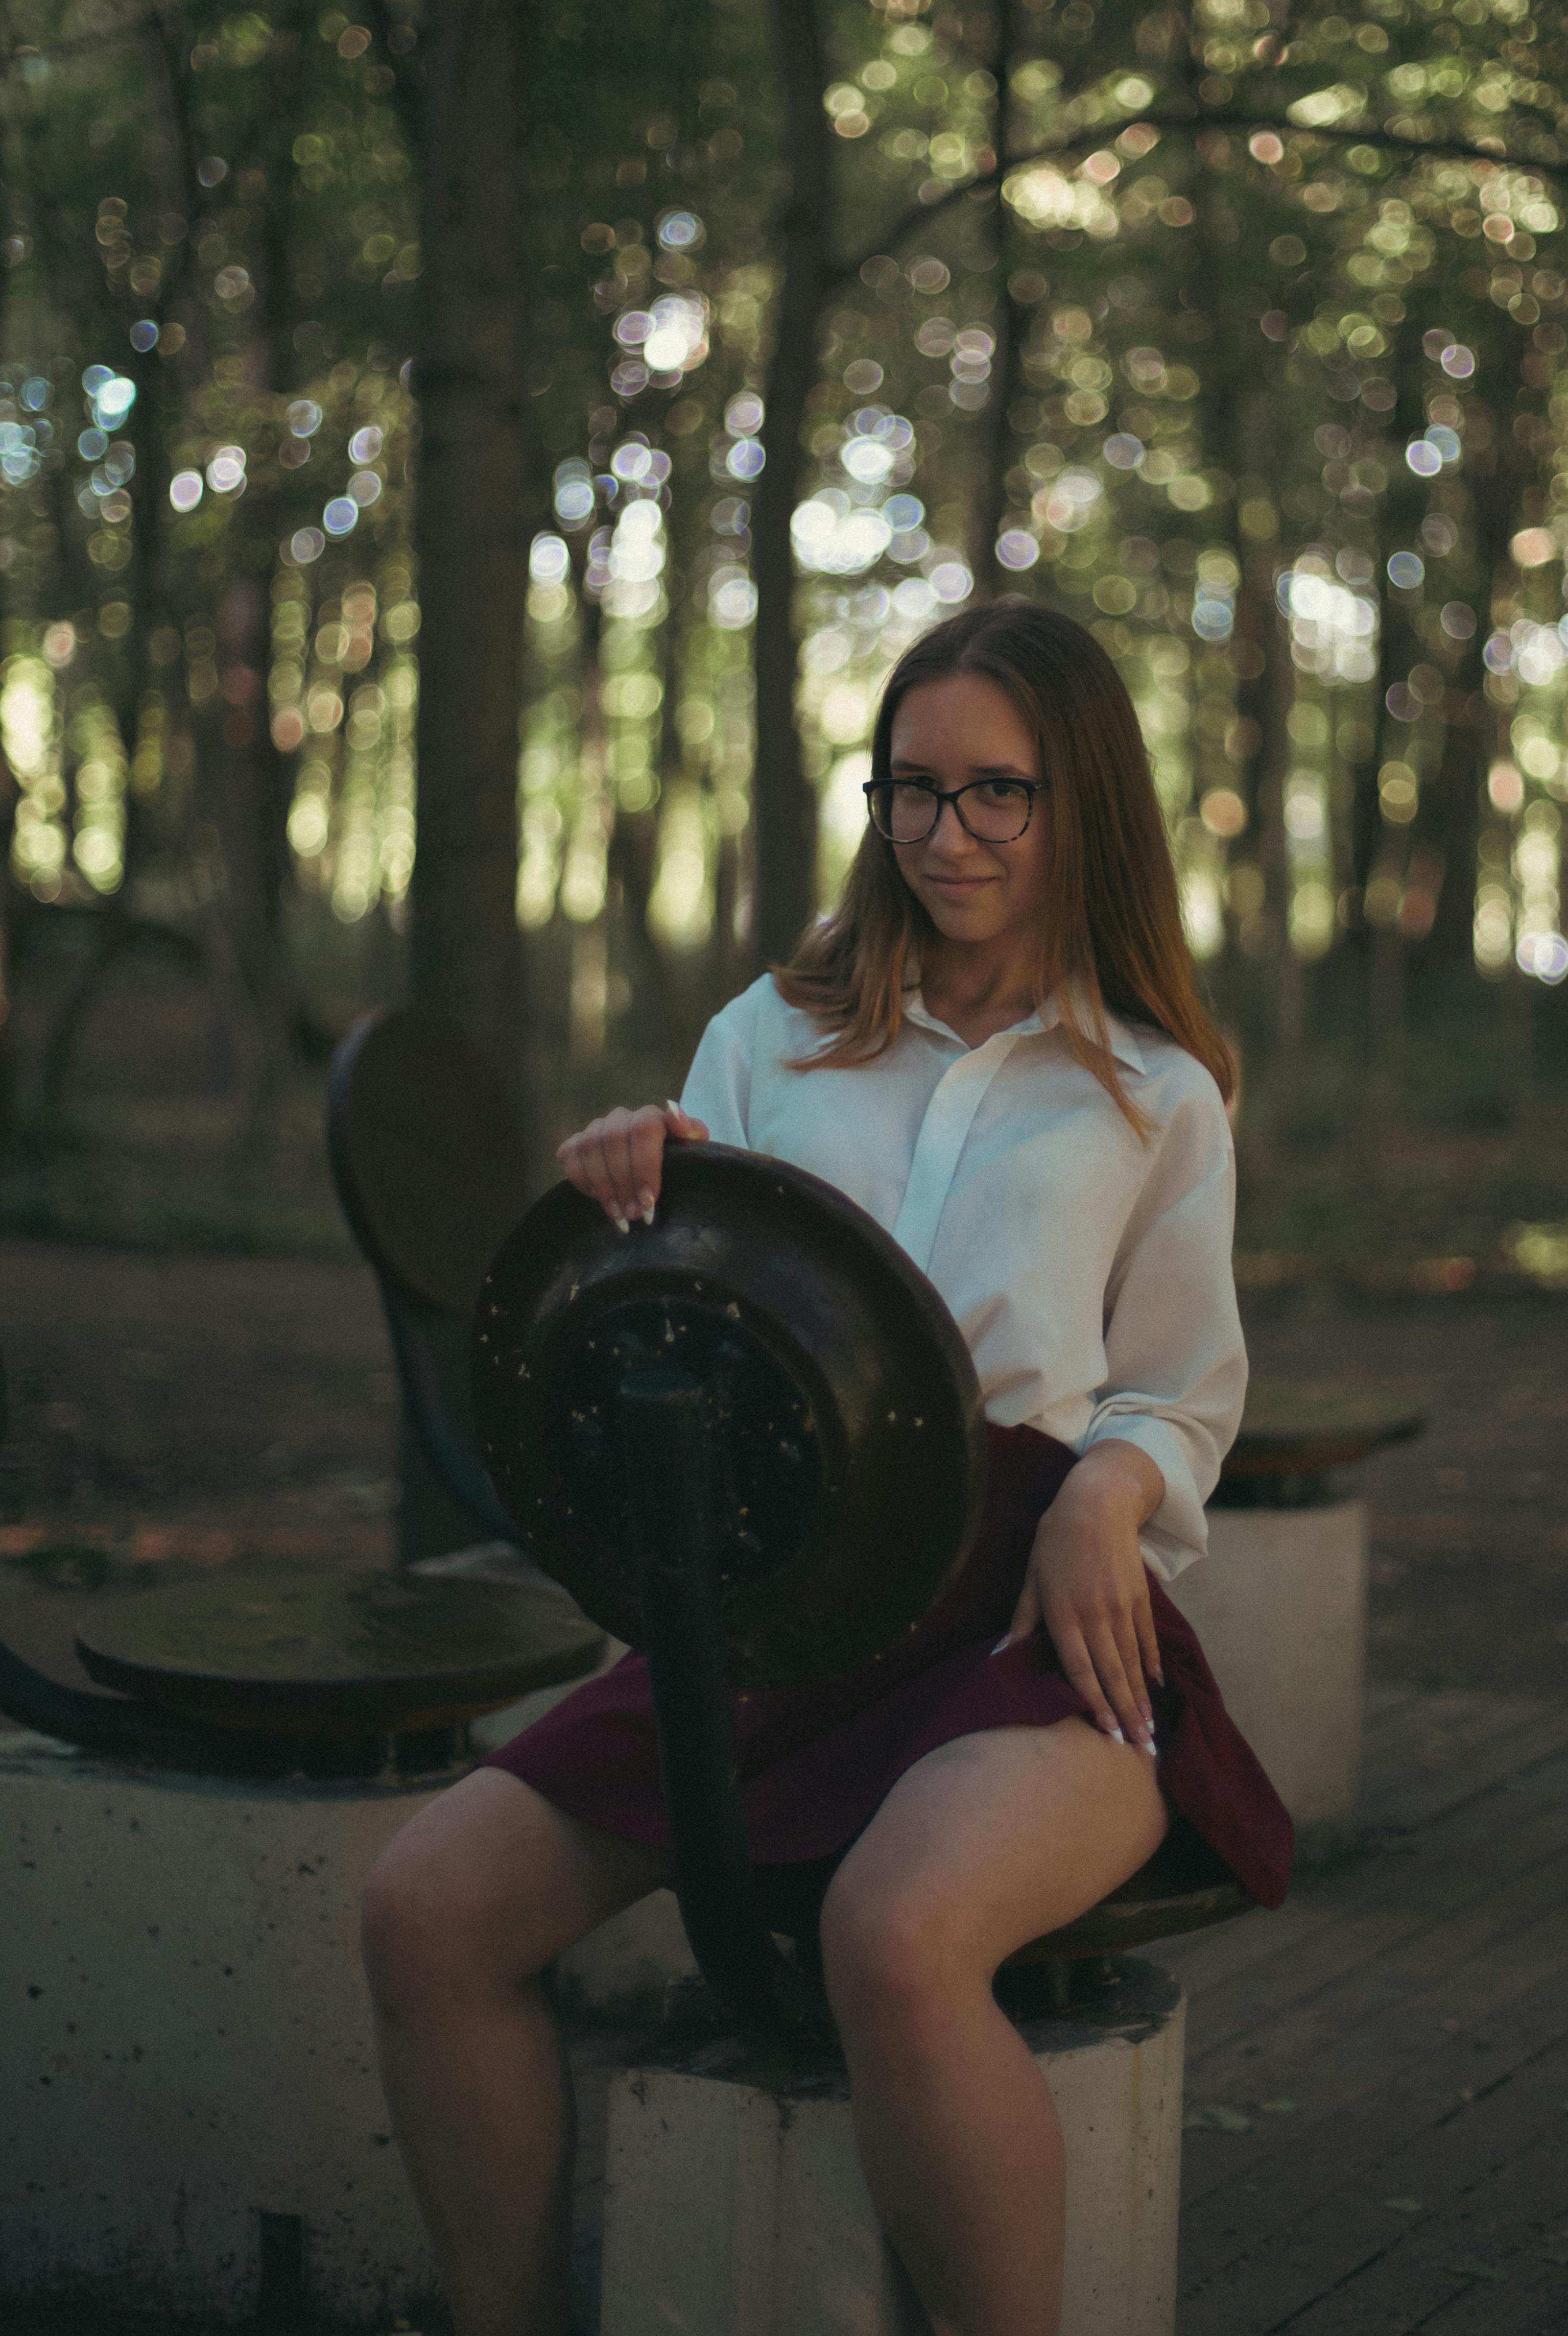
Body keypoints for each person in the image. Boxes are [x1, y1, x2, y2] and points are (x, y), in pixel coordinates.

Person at [361, 602, 1292, 2336]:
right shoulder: (771, 1036)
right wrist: (630, 1179)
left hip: (1038, 1600)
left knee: (898, 1935)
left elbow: (1178, 1388)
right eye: (911, 791)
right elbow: (676, 1307)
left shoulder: (1156, 1088)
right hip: (782, 1599)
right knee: (425, 1910)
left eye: (995, 794)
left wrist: (1108, 1489)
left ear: (1083, 801)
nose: (945, 837)